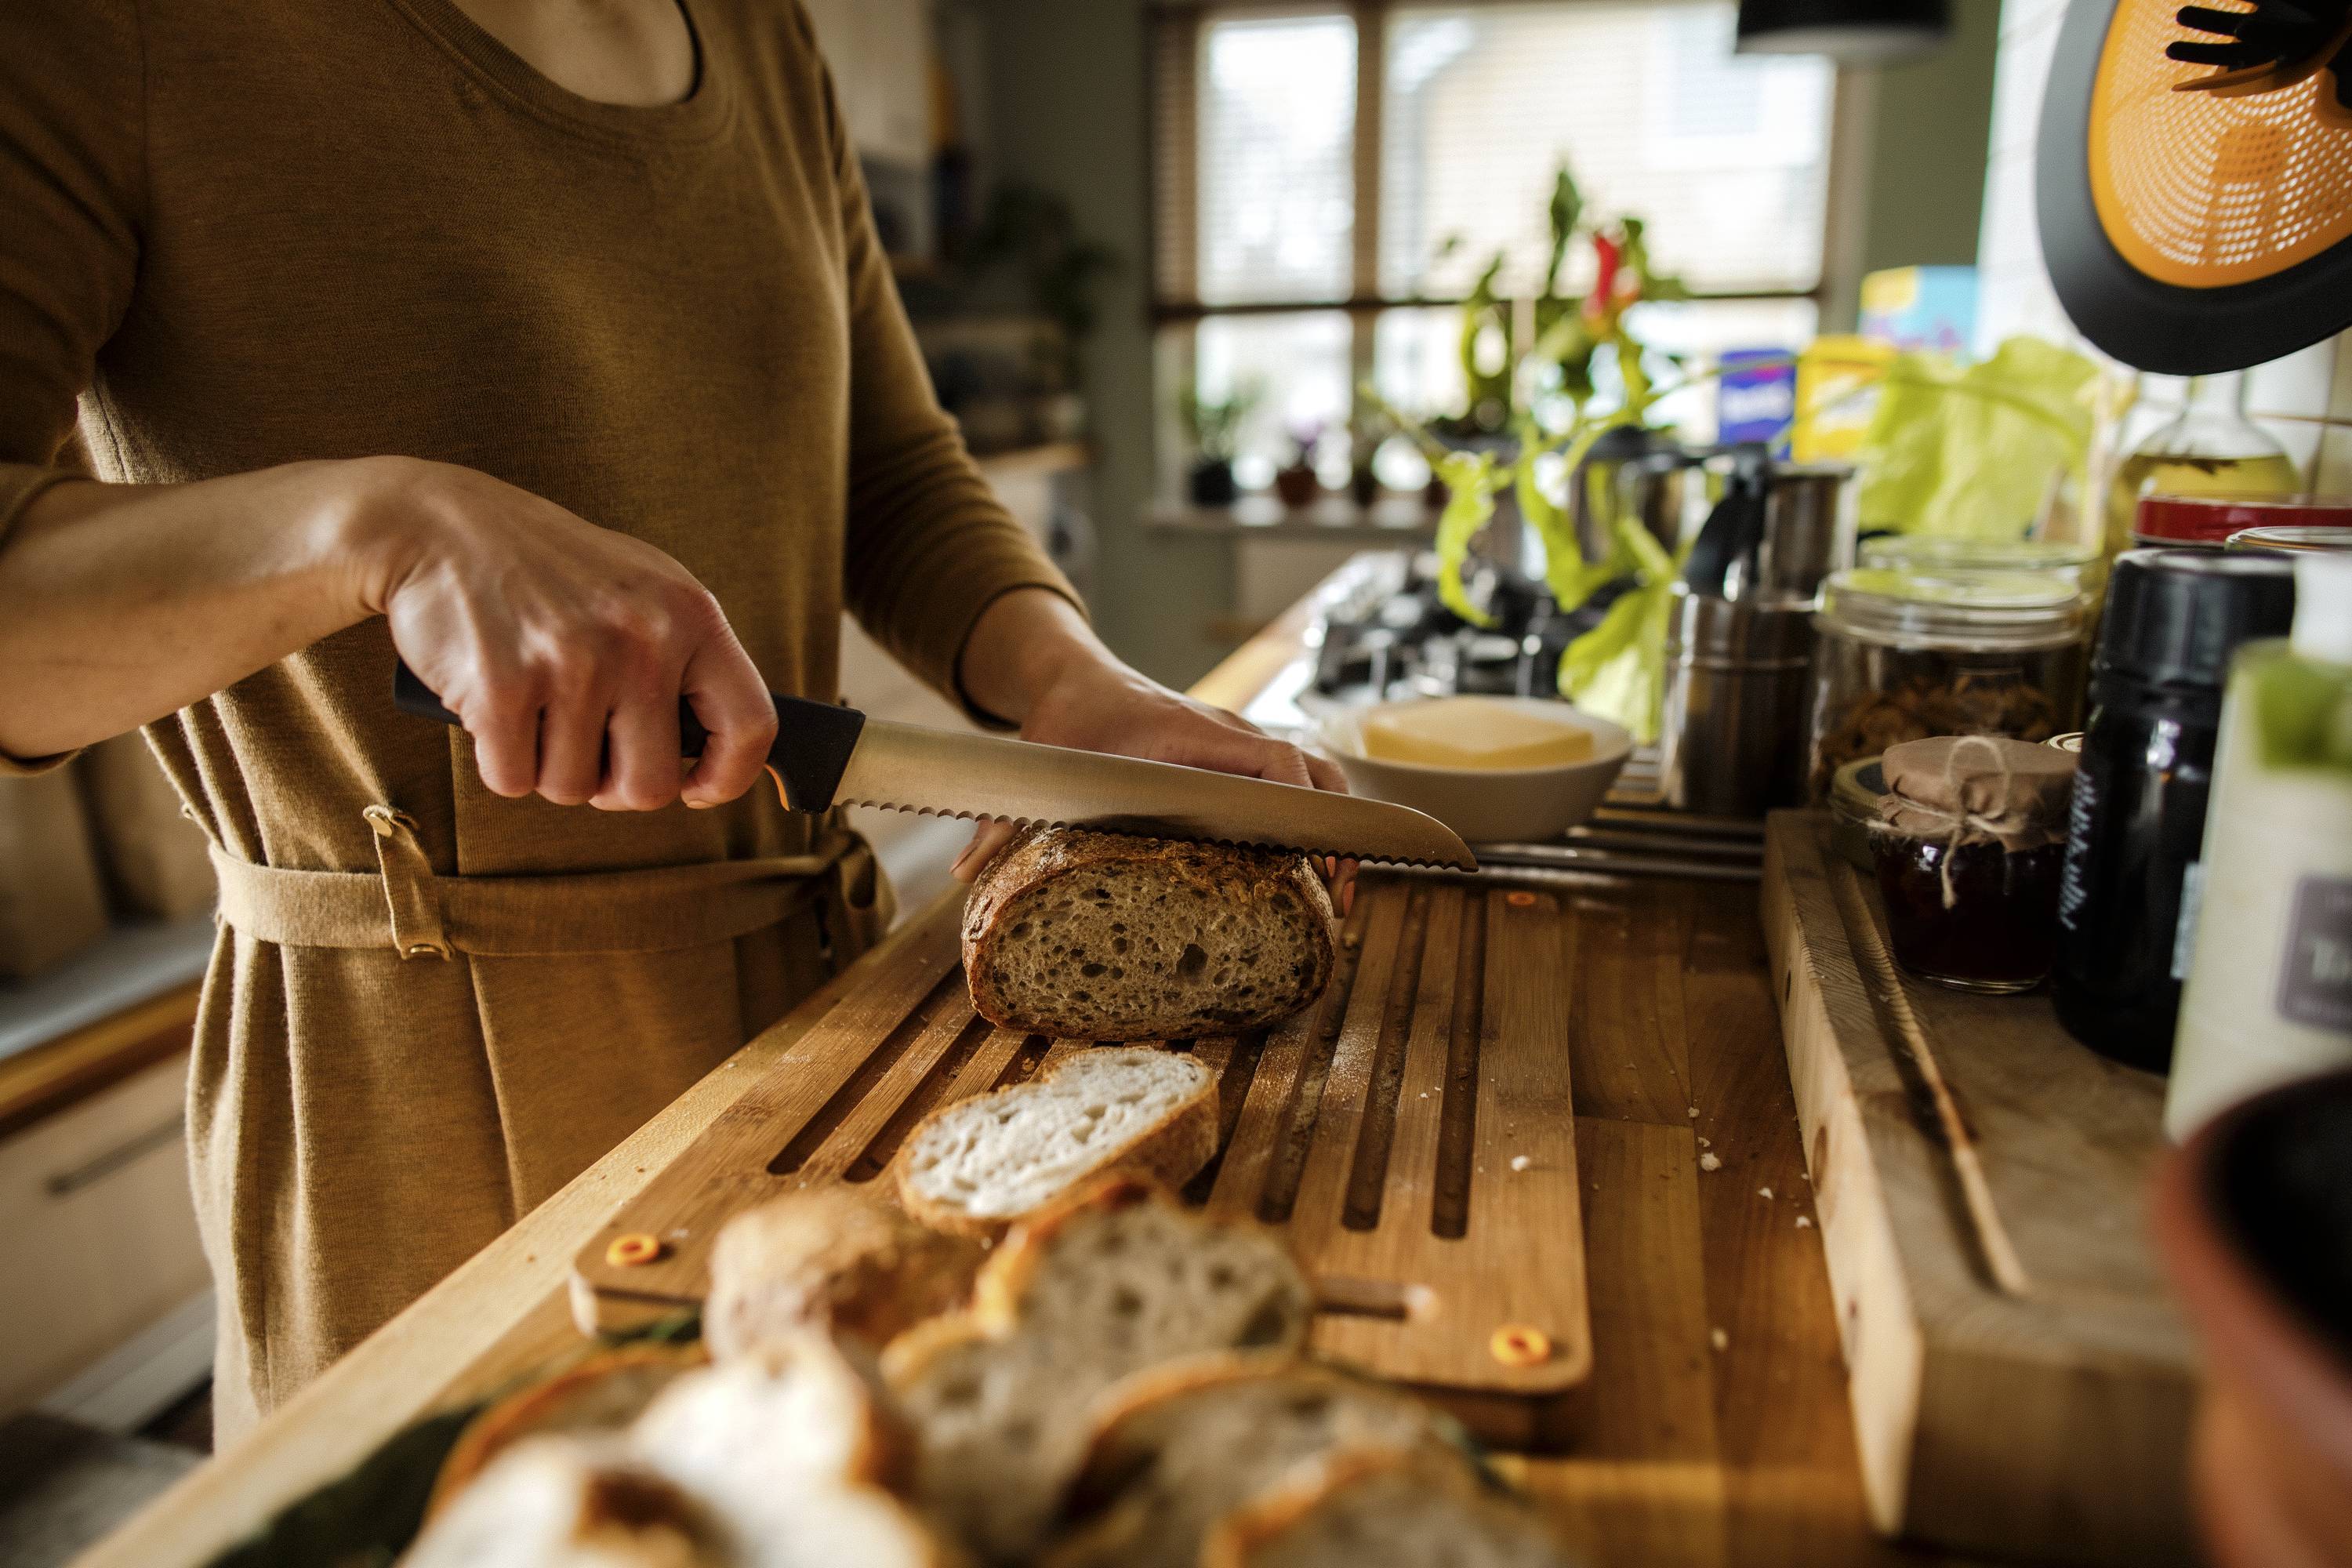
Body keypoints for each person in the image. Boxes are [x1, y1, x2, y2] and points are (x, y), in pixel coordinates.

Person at [0, 0, 1346, 1443]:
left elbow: (887, 469)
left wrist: (1066, 682)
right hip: (418, 1132)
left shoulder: (765, 38)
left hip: (813, 1037)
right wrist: (375, 527)